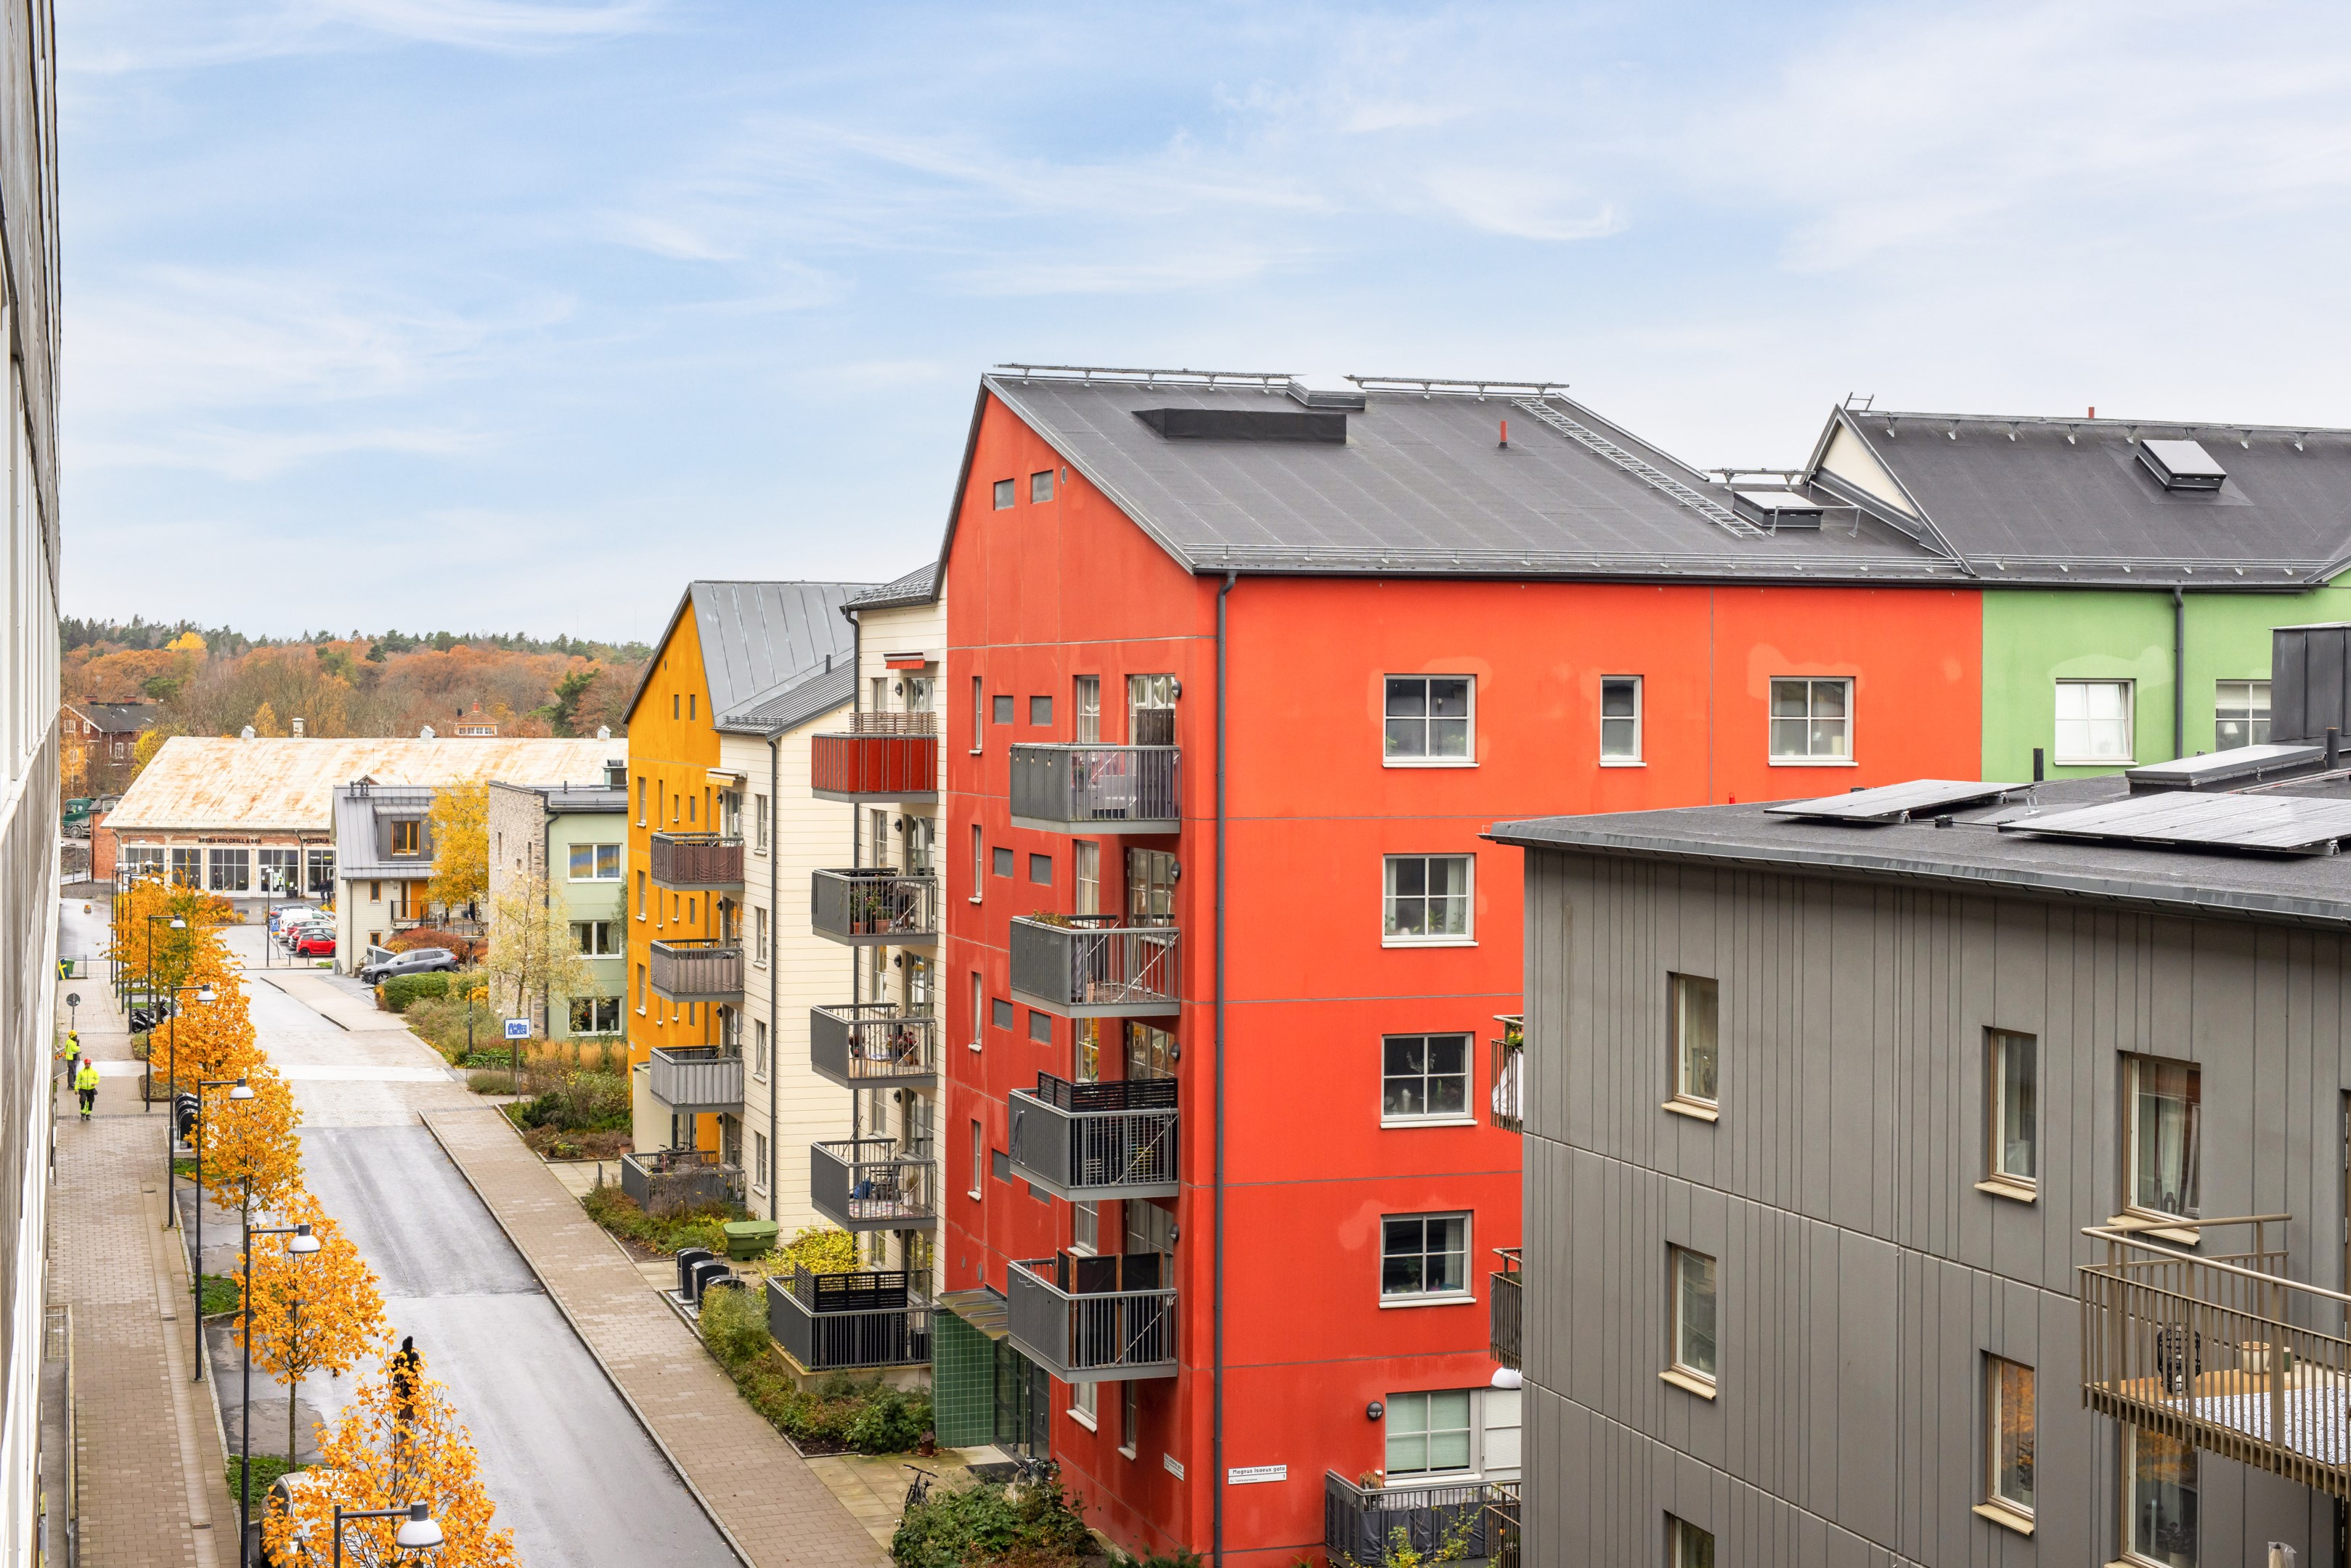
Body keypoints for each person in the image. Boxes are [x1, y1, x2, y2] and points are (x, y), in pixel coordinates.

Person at [73, 1058, 98, 1122]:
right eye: (87, 1064)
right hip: (83, 1090)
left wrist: (95, 1083)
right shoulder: (81, 1072)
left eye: (89, 1064)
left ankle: (88, 1114)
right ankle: (83, 1114)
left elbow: (97, 1078)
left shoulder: (94, 1072)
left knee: (90, 1102)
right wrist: (76, 1089)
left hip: (91, 1090)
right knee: (83, 1101)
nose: (88, 1065)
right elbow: (77, 1081)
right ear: (85, 1064)